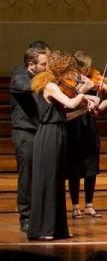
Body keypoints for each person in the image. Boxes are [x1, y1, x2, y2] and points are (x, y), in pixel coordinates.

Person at [27, 51, 98, 240]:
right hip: (49, 135)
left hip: (57, 131)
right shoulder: (50, 85)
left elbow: (63, 115)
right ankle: (44, 229)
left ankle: (57, 228)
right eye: (69, 71)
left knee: (57, 180)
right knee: (50, 180)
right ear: (61, 69)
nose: (72, 75)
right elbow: (70, 102)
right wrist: (83, 92)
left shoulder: (54, 85)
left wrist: (84, 108)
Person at [66, 51, 107, 220]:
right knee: (74, 169)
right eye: (85, 68)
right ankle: (75, 206)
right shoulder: (70, 84)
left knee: (91, 169)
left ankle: (89, 205)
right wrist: (82, 89)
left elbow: (99, 107)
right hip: (74, 128)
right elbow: (71, 103)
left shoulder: (92, 83)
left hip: (90, 128)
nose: (89, 72)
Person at [10, 46, 49, 232]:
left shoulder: (40, 76)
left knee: (40, 175)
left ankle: (40, 214)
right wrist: (48, 79)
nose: (47, 66)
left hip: (40, 131)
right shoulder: (20, 76)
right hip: (25, 133)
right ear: (31, 65)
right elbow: (25, 87)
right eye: (44, 64)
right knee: (26, 176)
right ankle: (25, 216)